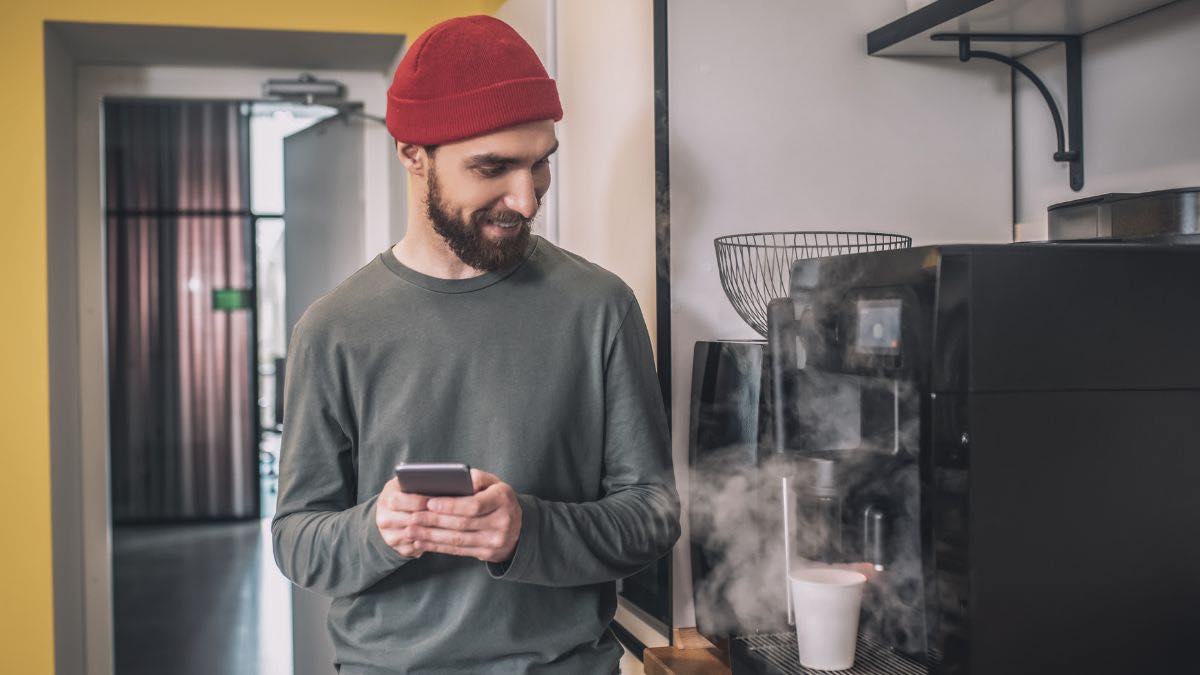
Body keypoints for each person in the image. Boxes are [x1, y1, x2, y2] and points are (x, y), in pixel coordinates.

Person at [270, 15, 681, 675]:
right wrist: (378, 528)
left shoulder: (599, 307)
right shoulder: (333, 330)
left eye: (540, 163)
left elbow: (654, 516)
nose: (524, 198)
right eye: (493, 168)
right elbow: (295, 540)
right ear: (412, 154)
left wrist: (527, 529)